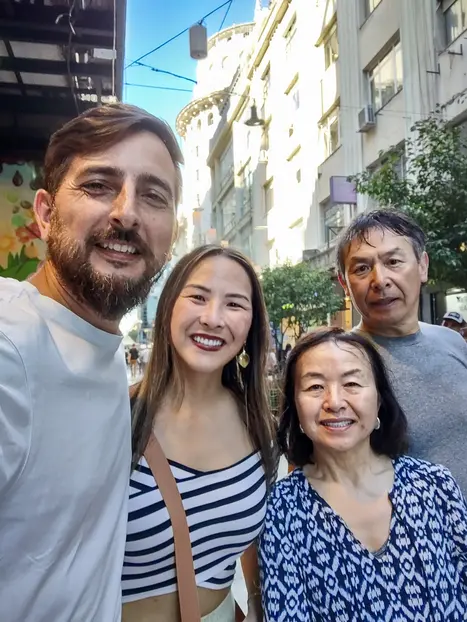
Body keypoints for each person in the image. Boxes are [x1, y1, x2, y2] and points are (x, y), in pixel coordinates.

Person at [0, 103, 183, 622]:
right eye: (99, 185)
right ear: (44, 214)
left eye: (154, 195)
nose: (127, 213)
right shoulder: (10, 346)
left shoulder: (101, 347)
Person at [259, 328, 467, 622]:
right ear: (295, 408)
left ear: (379, 399)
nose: (334, 402)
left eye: (352, 383)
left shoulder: (435, 485)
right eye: (315, 386)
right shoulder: (282, 510)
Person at [122, 245, 277, 622]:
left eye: (234, 304)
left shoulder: (258, 425)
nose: (213, 318)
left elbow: (252, 539)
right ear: (168, 308)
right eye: (198, 297)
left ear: (251, 326)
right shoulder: (117, 417)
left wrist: (257, 604)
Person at [336, 209, 467, 494]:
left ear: (422, 266)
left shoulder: (453, 342)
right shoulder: (335, 363)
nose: (380, 280)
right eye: (362, 268)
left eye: (393, 261)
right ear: (344, 283)